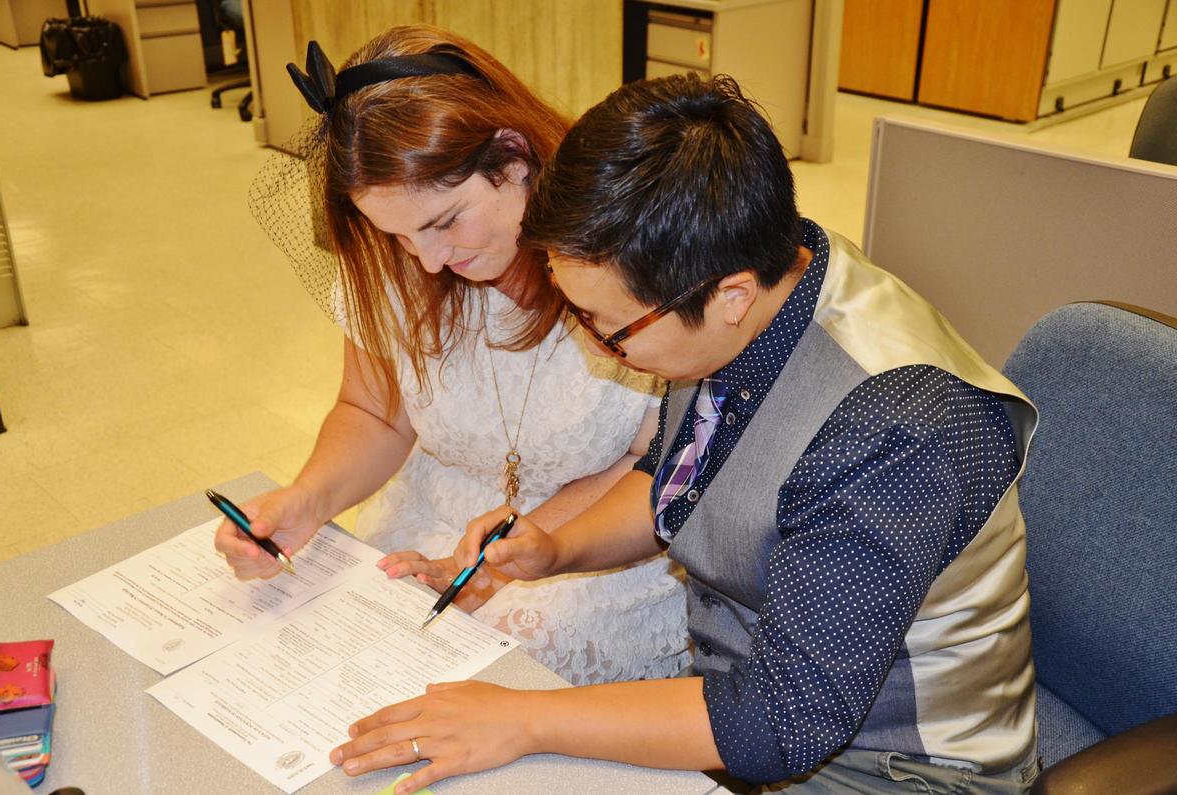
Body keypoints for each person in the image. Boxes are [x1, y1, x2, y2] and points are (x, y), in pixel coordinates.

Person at [330, 73, 1041, 794]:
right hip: (747, 700)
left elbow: (782, 723)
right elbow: (685, 480)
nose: (599, 347)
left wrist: (529, 718)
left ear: (728, 296)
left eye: (609, 330)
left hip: (896, 766)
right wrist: (553, 548)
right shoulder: (752, 278)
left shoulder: (895, 427)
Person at [214, 26, 690, 686]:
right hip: (436, 516)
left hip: (598, 538)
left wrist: (508, 556)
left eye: (444, 221)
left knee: (501, 671)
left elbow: (660, 454)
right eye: (399, 235)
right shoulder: (403, 259)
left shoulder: (619, 256)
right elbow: (373, 412)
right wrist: (306, 499)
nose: (430, 260)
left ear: (514, 154)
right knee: (333, 648)